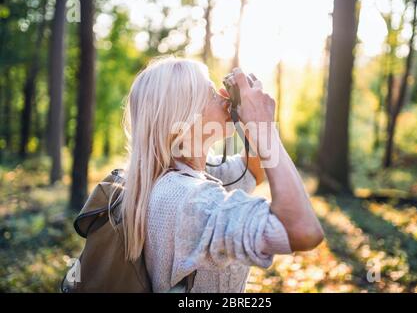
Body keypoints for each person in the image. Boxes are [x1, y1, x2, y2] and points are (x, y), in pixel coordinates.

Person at [120, 56, 324, 292]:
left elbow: (253, 172)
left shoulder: (185, 173)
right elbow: (303, 231)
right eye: (210, 92)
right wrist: (265, 129)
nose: (221, 95)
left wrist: (251, 119)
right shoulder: (188, 199)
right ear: (183, 115)